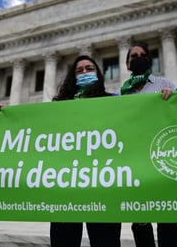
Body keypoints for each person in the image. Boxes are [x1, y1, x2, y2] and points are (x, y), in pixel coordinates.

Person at [50, 55, 121, 247]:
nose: (84, 73)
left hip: (102, 182)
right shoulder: (58, 107)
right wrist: (5, 116)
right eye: (79, 70)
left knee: (106, 242)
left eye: (89, 68)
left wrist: (166, 98)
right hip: (66, 183)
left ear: (98, 73)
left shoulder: (114, 102)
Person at [120, 41, 177, 247]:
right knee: (140, 221)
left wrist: (176, 98)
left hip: (162, 157)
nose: (137, 59)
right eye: (133, 56)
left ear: (149, 59)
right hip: (135, 162)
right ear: (127, 64)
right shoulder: (123, 93)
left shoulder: (166, 84)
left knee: (167, 220)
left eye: (142, 55)